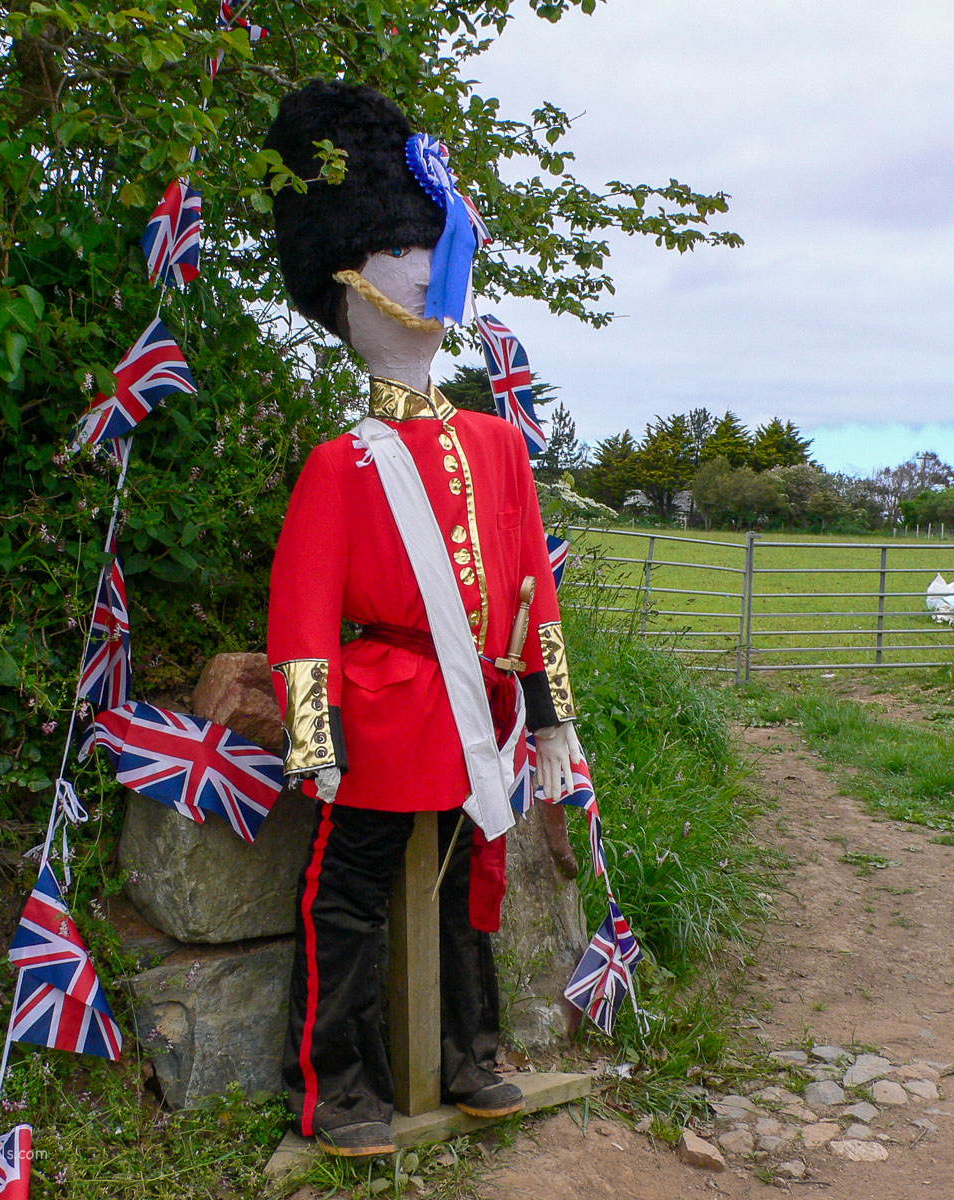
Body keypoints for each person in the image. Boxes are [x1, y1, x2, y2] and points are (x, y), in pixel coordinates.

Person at [263, 80, 582, 1157]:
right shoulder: (340, 463)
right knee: (346, 903)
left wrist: (548, 719)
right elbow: (302, 614)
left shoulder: (496, 443)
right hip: (382, 711)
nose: (429, 269)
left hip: (473, 711)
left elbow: (533, 590)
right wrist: (315, 736)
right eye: (406, 253)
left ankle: (467, 1054)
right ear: (358, 283)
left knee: (464, 891)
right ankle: (340, 1087)